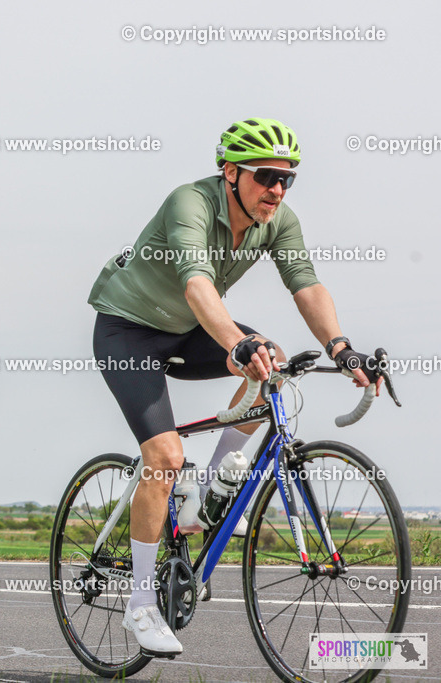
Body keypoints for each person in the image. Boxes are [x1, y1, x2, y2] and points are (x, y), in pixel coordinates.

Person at [87, 119, 384, 655]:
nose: (277, 190)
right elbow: (196, 282)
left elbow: (307, 284)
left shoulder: (278, 220)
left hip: (188, 330)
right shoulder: (190, 203)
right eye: (266, 176)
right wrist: (232, 342)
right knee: (164, 455)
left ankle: (212, 493)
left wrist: (341, 346)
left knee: (272, 363)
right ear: (231, 172)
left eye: (287, 180)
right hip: (127, 330)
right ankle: (140, 605)